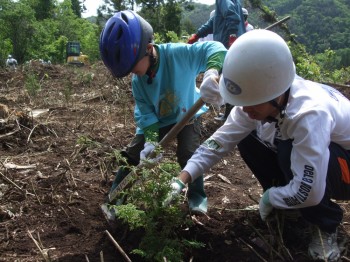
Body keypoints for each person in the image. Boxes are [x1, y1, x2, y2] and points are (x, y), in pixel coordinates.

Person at [168, 29, 350, 262]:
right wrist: (182, 179)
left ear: (275, 93)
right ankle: (290, 208)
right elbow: (219, 142)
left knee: (288, 149)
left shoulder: (309, 114)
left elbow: (310, 190)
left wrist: (271, 198)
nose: (245, 110)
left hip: (344, 166)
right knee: (248, 138)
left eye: (251, 104)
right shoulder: (259, 97)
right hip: (318, 157)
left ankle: (325, 225)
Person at [99, 10, 227, 215]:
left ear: (149, 49)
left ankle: (197, 196)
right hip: (157, 120)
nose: (133, 73)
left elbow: (215, 48)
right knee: (133, 154)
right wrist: (150, 141)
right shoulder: (138, 83)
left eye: (133, 67)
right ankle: (115, 200)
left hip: (188, 115)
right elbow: (146, 113)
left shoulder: (178, 55)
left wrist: (212, 72)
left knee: (188, 153)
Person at [188, 0, 246, 122]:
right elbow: (213, 23)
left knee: (230, 79)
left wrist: (232, 36)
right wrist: (198, 34)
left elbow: (232, 16)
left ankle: (231, 116)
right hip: (228, 44)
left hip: (228, 45)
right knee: (229, 78)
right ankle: (229, 114)